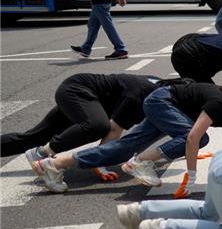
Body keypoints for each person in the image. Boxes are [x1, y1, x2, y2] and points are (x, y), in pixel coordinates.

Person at [32, 77, 222, 195]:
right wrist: (190, 175)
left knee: (121, 149)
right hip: (161, 101)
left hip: (170, 107)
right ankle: (139, 163)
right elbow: (191, 139)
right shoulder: (221, 103)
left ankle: (53, 164)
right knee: (200, 138)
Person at [2, 73, 160, 182]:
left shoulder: (161, 89)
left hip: (89, 101)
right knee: (97, 126)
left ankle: (40, 150)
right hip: (77, 91)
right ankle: (42, 153)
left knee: (33, 138)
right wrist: (100, 163)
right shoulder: (139, 97)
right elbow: (114, 129)